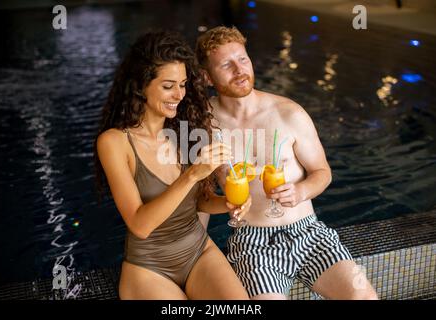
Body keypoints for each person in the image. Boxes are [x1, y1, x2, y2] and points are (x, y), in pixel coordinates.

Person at [195, 26, 378, 300]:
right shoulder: (203, 126)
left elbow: (322, 172)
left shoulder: (289, 113)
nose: (239, 69)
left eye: (243, 59)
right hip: (253, 242)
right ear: (207, 77)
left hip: (309, 233)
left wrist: (301, 191)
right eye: (226, 64)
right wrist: (193, 252)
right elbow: (201, 193)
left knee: (363, 297)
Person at [94, 30, 250, 300]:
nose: (179, 94)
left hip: (198, 251)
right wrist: (191, 175)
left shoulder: (184, 130)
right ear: (141, 85)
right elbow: (140, 225)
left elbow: (197, 202)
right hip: (150, 267)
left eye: (183, 84)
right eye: (168, 86)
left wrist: (226, 204)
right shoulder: (115, 142)